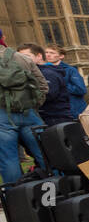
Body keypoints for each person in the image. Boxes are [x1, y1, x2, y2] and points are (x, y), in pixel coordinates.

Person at [0, 45, 48, 184]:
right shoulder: (20, 57)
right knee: (45, 154)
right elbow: (43, 86)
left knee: (8, 160)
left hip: (2, 117)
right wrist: (34, 106)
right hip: (29, 112)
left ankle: (18, 199)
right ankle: (57, 190)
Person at [17, 43, 74, 128]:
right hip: (45, 117)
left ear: (39, 56)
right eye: (20, 58)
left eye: (26, 56)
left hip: (55, 118)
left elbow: (48, 95)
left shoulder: (47, 73)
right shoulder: (32, 72)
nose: (23, 60)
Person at [44, 46, 87, 117]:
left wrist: (61, 84)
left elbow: (81, 90)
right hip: (55, 112)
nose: (48, 55)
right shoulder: (42, 70)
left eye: (52, 53)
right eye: (46, 52)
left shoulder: (70, 70)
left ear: (61, 56)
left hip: (73, 111)